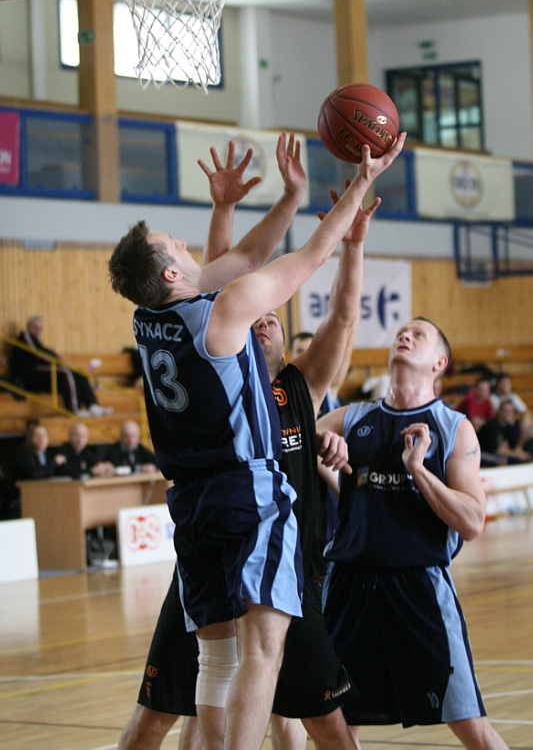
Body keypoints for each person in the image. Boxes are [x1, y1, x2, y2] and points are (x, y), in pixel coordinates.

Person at [109, 129, 406, 750]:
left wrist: (291, 197)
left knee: (217, 661)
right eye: (175, 244)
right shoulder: (223, 312)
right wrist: (361, 182)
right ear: (172, 271)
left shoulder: (149, 316)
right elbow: (310, 258)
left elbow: (244, 257)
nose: (185, 242)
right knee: (263, 652)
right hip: (246, 492)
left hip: (190, 504)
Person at [316, 317, 510, 750]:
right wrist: (324, 444)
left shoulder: (454, 427)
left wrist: (418, 470)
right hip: (349, 586)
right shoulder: (353, 417)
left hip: (418, 586)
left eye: (418, 334)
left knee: (471, 724)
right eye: (401, 332)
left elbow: (472, 521)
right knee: (337, 723)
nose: (404, 335)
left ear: (439, 362)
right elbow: (294, 437)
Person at [10, 316, 113, 417]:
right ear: (28, 326)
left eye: (40, 328)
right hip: (31, 373)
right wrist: (59, 362)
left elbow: (44, 351)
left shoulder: (35, 340)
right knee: (65, 373)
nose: (38, 331)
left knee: (77, 372)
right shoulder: (25, 336)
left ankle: (92, 405)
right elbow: (38, 354)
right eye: (35, 327)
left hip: (41, 371)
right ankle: (73, 410)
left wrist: (59, 359)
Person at [477, 398, 532, 466]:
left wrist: (522, 433)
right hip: (482, 453)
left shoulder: (509, 426)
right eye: (506, 411)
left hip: (495, 453)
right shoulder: (491, 426)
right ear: (499, 411)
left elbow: (513, 446)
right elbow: (496, 450)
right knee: (503, 460)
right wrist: (518, 455)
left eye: (510, 411)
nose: (508, 414)